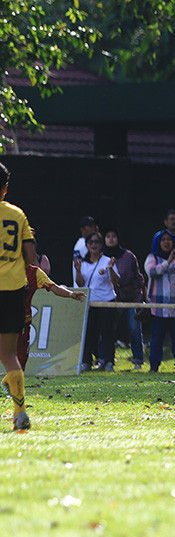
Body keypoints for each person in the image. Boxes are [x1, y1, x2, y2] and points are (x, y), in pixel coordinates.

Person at [0, 162, 38, 430]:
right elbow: (31, 258)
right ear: (5, 188)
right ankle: (19, 413)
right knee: (9, 353)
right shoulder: (17, 214)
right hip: (13, 289)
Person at [19, 263, 87, 371]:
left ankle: (11, 385)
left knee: (20, 361)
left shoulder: (34, 272)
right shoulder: (4, 268)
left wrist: (70, 294)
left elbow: (54, 287)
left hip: (22, 323)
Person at [145, 232, 175, 372]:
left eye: (169, 240)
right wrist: (168, 262)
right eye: (163, 240)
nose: (166, 242)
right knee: (157, 338)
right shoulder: (152, 257)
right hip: (158, 306)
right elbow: (152, 272)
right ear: (159, 243)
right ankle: (154, 367)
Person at [75, 232, 119, 371]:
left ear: (101, 245)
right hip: (90, 303)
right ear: (87, 245)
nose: (94, 245)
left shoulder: (107, 261)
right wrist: (77, 271)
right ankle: (87, 362)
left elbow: (116, 282)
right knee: (89, 333)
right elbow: (80, 284)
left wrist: (111, 269)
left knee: (107, 333)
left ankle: (108, 362)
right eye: (91, 242)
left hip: (106, 301)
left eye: (97, 242)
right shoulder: (82, 262)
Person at [103, 228, 146, 370]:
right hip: (111, 298)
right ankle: (106, 360)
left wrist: (143, 298)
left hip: (132, 296)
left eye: (113, 236)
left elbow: (139, 277)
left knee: (134, 329)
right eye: (108, 236)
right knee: (109, 330)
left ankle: (138, 360)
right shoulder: (101, 257)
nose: (111, 239)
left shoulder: (128, 256)